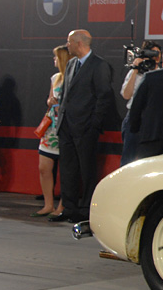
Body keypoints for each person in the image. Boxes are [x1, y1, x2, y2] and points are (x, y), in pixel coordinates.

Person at [52, 30, 116, 223]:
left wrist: (94, 124)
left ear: (79, 43)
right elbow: (66, 94)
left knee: (87, 170)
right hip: (67, 126)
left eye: (69, 41)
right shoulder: (71, 64)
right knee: (67, 168)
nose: (67, 45)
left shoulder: (99, 65)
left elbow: (104, 96)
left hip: (86, 126)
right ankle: (69, 208)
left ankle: (86, 208)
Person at [33, 45, 70, 217]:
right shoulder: (55, 78)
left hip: (66, 127)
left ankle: (61, 206)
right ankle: (48, 204)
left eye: (56, 57)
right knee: (44, 167)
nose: (53, 60)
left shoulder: (73, 78)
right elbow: (49, 99)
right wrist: (50, 101)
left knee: (67, 169)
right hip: (50, 129)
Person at [129, 47, 163, 160]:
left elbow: (136, 106)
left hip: (150, 135)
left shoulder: (150, 77)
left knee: (146, 172)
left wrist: (134, 128)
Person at [119, 40, 162, 166]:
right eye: (153, 53)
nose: (156, 56)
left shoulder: (161, 72)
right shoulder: (136, 72)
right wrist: (135, 70)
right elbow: (126, 95)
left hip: (152, 120)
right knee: (129, 158)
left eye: (158, 53)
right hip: (134, 118)